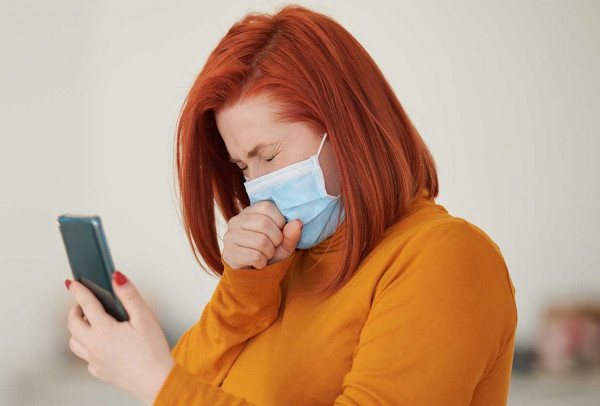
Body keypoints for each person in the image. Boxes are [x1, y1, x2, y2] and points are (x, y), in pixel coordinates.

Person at [65, 4, 517, 405]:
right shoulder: (280, 268)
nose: (258, 187)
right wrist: (242, 292)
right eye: (243, 166)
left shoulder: (446, 256)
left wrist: (154, 380)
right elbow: (188, 387)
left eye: (269, 155)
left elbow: (171, 392)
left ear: (346, 128)